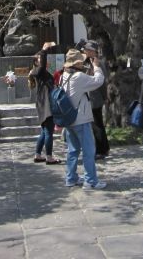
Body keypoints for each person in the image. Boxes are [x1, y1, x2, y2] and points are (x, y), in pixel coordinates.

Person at [59, 48, 106, 189]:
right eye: (81, 61)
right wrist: (97, 67)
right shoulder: (78, 77)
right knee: (89, 150)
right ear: (76, 63)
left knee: (72, 150)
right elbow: (98, 81)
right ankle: (90, 181)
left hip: (69, 118)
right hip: (81, 119)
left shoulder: (63, 76)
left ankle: (71, 178)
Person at [29, 42, 60, 164]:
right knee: (48, 131)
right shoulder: (38, 71)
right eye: (40, 59)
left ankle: (38, 154)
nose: (43, 60)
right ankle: (49, 157)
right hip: (46, 104)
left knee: (44, 131)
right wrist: (43, 50)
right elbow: (42, 66)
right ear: (37, 62)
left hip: (43, 103)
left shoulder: (39, 72)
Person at [82, 41, 110, 160]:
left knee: (96, 125)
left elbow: (103, 82)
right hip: (90, 97)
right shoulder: (87, 62)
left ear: (94, 51)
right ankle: (104, 148)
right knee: (98, 124)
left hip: (95, 98)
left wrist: (104, 97)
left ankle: (100, 150)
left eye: (88, 50)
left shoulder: (98, 63)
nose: (86, 51)